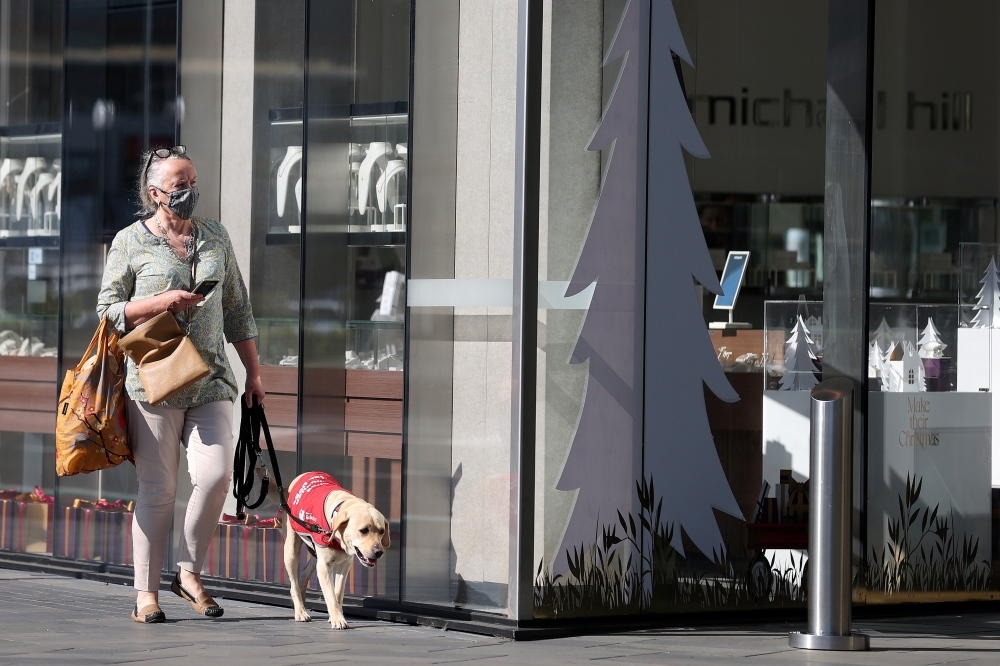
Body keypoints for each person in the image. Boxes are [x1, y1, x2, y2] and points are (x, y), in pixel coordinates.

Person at [97, 146, 265, 623]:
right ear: (155, 194)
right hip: (155, 382)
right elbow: (109, 309)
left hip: (211, 377)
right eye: (178, 184)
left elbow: (237, 306)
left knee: (215, 478)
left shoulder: (214, 234)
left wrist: (254, 373)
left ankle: (188, 572)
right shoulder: (130, 241)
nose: (190, 190)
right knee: (158, 489)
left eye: (192, 180)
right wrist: (161, 302)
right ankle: (145, 594)